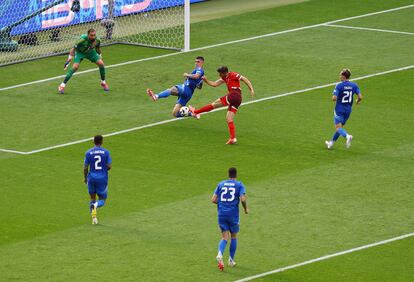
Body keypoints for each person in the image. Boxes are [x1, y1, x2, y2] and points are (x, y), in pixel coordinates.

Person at [190, 66, 254, 144]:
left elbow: (245, 79)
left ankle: (195, 112)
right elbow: (214, 84)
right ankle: (233, 138)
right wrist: (206, 80)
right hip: (238, 99)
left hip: (234, 95)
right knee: (229, 118)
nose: (219, 75)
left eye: (220, 74)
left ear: (225, 73)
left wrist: (251, 89)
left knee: (214, 104)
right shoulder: (224, 78)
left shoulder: (233, 75)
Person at [211, 167, 248, 271]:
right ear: (236, 175)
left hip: (221, 214)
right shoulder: (239, 184)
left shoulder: (221, 184)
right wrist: (245, 209)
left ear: (228, 174)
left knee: (224, 237)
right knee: (234, 237)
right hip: (233, 215)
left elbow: (213, 199)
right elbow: (243, 198)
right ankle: (231, 260)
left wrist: (223, 204)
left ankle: (219, 253)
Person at [58, 28, 109, 94]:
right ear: (88, 35)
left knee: (101, 64)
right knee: (75, 67)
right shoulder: (81, 40)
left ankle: (103, 82)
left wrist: (100, 55)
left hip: (91, 52)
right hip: (80, 53)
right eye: (91, 35)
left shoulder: (97, 40)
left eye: (94, 35)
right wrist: (69, 60)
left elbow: (98, 48)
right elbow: (73, 50)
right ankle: (62, 85)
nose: (93, 37)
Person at [325, 68, 362, 149]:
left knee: (338, 128)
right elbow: (360, 97)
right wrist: (357, 101)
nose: (339, 76)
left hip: (339, 109)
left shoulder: (339, 85)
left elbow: (334, 98)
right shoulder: (354, 85)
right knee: (340, 127)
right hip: (348, 110)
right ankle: (331, 143)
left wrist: (337, 97)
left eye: (340, 75)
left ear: (344, 76)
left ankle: (348, 136)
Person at [84, 135, 112, 224]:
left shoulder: (88, 153)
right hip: (102, 178)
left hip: (91, 178)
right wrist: (103, 169)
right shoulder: (106, 152)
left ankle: (94, 218)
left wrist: (85, 178)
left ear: (93, 142)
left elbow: (85, 168)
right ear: (102, 142)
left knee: (92, 198)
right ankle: (96, 205)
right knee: (102, 200)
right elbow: (109, 166)